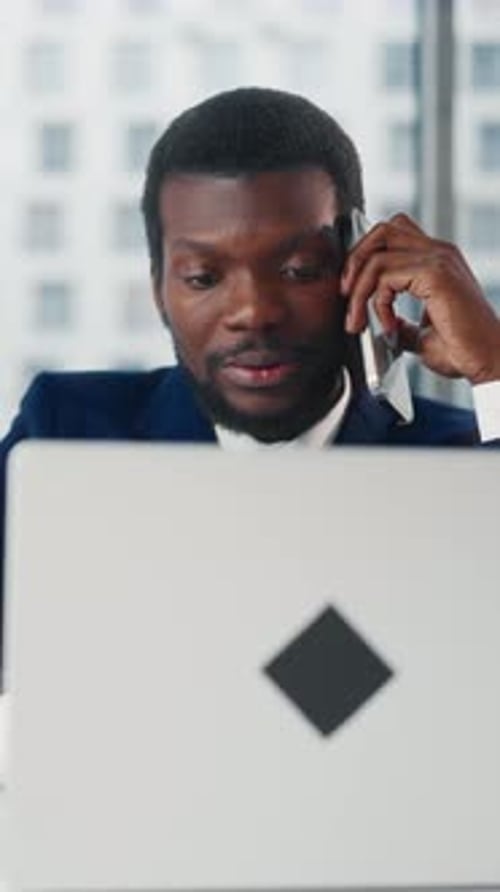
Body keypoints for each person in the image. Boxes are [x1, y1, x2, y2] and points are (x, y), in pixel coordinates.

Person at [1, 87, 500, 626]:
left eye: (299, 270)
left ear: (360, 267)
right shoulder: (68, 433)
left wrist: (495, 369)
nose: (254, 312)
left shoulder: (459, 462)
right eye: (203, 278)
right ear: (158, 289)